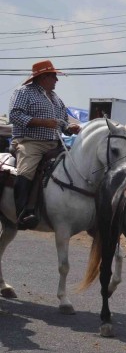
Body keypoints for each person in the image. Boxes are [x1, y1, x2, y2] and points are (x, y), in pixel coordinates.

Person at [7, 60, 80, 229]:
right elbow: (15, 116)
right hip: (29, 142)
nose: (57, 80)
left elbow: (63, 123)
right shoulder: (23, 92)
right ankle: (22, 213)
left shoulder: (56, 99)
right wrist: (42, 122)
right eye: (54, 76)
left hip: (54, 143)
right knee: (26, 171)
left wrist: (71, 128)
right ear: (43, 77)